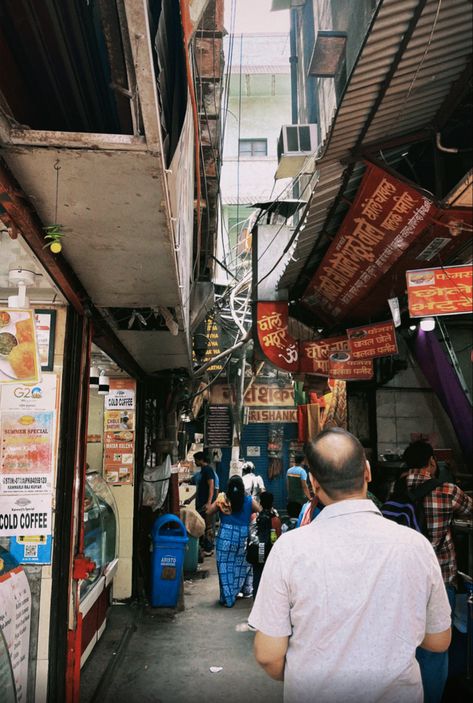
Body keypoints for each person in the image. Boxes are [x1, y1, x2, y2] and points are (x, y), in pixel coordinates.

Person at [249, 428, 451, 703]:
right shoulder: (415, 546)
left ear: (314, 483)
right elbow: (439, 640)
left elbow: (268, 654)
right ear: (367, 472)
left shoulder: (289, 549)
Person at [402, 440, 472, 703]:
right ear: (432, 461)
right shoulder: (447, 491)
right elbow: (470, 509)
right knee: (437, 646)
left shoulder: (395, 489)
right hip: (440, 576)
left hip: (404, 579)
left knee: (409, 642)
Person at [207, 475, 261, 607]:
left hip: (225, 534)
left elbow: (209, 512)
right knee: (239, 565)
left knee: (224, 565)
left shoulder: (222, 499)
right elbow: (260, 510)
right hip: (242, 536)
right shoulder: (248, 500)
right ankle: (234, 592)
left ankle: (227, 597)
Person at [251, 491, 281, 599]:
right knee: (270, 575)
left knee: (257, 574)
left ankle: (256, 597)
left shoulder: (254, 516)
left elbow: (251, 533)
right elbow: (278, 537)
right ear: (272, 503)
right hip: (270, 551)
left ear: (260, 502)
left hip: (258, 550)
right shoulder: (275, 519)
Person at [193, 451, 216, 556]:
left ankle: (208, 548)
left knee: (208, 526)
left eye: (196, 460)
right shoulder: (203, 471)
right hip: (202, 502)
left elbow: (211, 486)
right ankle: (205, 547)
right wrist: (190, 499)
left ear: (201, 460)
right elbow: (201, 489)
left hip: (206, 504)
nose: (195, 462)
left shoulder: (208, 470)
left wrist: (209, 503)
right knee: (203, 525)